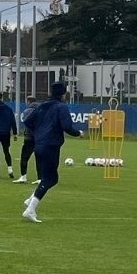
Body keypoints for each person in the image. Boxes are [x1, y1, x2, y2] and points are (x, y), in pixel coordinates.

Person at [21, 81, 83, 223]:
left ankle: (30, 199)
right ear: (64, 93)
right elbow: (67, 126)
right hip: (51, 145)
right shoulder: (61, 107)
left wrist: (39, 130)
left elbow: (27, 120)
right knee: (51, 179)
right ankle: (30, 209)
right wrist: (78, 133)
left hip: (39, 144)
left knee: (47, 177)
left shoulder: (42, 105)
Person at [12, 95, 38, 183]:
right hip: (40, 137)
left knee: (24, 157)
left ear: (28, 101)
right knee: (39, 158)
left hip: (29, 137)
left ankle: (23, 176)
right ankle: (40, 178)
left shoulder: (28, 110)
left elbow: (25, 121)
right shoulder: (41, 110)